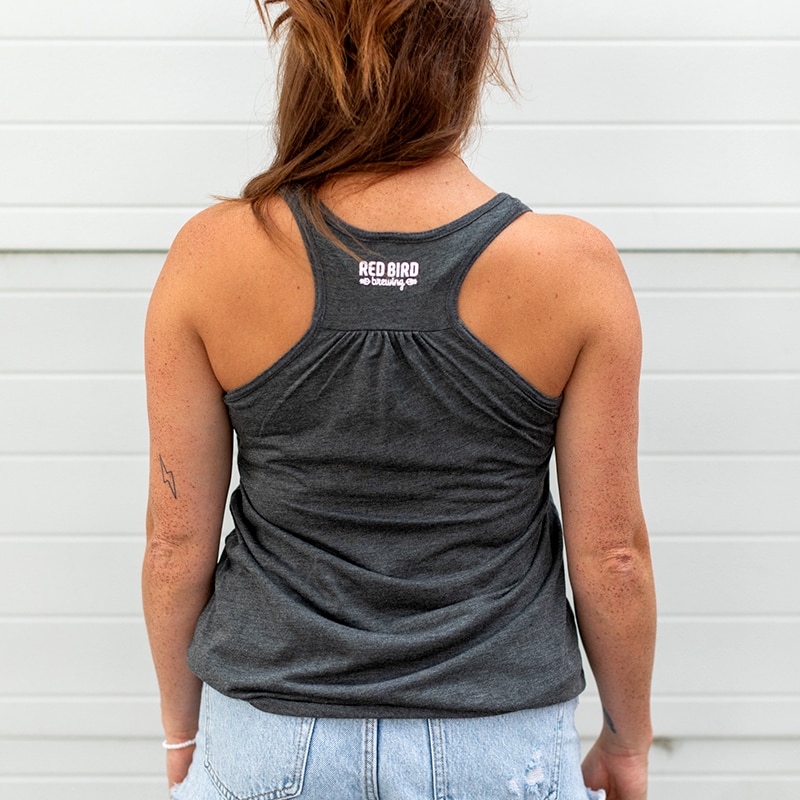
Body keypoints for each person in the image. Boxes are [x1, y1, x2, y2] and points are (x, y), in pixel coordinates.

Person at [142, 1, 656, 798]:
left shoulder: (215, 254)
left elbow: (174, 547)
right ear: (473, 56)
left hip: (272, 734)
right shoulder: (572, 269)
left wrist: (183, 733)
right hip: (496, 739)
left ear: (308, 58)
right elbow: (614, 557)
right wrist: (626, 739)